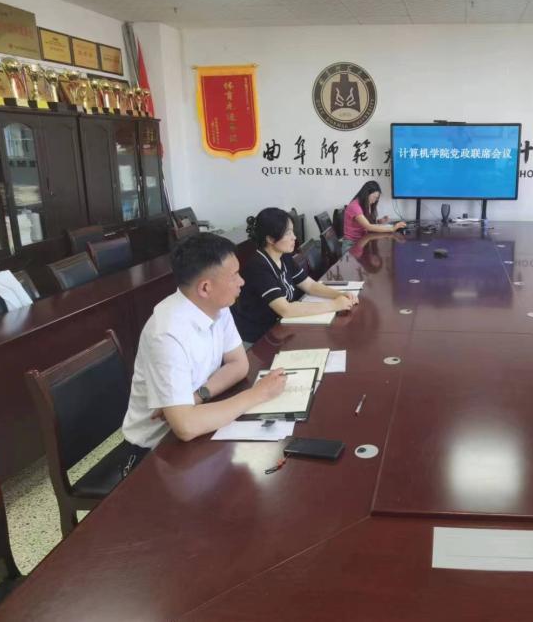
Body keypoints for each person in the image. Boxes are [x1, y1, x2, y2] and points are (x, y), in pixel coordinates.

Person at [121, 233, 288, 453]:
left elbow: (239, 364)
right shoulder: (166, 334)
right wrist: (258, 394)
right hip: (156, 448)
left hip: (199, 423)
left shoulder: (217, 306)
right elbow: (186, 427)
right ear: (205, 288)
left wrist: (197, 397)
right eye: (234, 276)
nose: (242, 281)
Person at [233, 207, 357, 344]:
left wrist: (339, 295)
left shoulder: (283, 256)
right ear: (270, 239)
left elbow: (309, 285)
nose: (294, 237)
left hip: (283, 326)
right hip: (261, 337)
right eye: (288, 233)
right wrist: (334, 305)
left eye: (292, 231)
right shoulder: (259, 267)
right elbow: (286, 310)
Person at [343, 181, 406, 246]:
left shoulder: (365, 204)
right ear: (366, 194)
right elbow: (368, 227)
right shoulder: (355, 206)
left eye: (376, 198)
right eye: (374, 197)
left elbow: (364, 223)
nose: (374, 201)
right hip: (351, 245)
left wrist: (379, 222)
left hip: (361, 241)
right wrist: (392, 228)